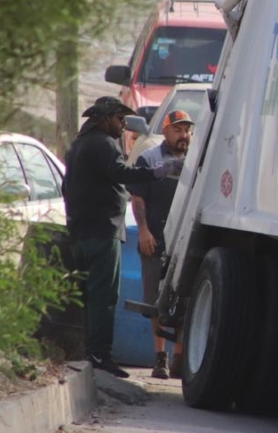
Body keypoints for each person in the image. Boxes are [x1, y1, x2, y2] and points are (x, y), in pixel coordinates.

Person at [62, 96, 179, 378]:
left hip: (81, 233)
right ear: (104, 119)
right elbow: (121, 172)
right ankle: (101, 355)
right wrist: (158, 172)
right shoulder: (103, 144)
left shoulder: (77, 146)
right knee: (104, 296)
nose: (123, 123)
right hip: (103, 233)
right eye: (118, 118)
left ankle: (92, 352)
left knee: (90, 296)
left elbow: (67, 188)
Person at [128, 110, 193, 379]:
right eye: (178, 130)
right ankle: (160, 358)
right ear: (165, 132)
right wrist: (143, 230)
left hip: (184, 242)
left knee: (184, 299)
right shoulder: (149, 158)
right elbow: (138, 198)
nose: (184, 136)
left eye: (187, 130)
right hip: (154, 239)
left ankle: (179, 358)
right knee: (155, 300)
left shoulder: (197, 161)